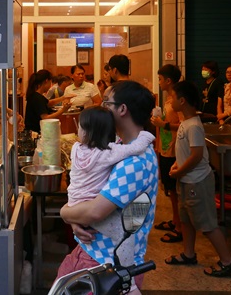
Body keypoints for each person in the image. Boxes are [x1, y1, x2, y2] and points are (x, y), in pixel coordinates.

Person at [58, 81, 159, 294]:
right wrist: (78, 218)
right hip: (95, 253)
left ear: (122, 109)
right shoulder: (122, 147)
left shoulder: (135, 162)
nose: (101, 107)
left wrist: (66, 213)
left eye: (106, 102)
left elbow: (95, 212)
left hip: (108, 264)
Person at [164, 80, 231, 277]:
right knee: (186, 220)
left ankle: (227, 261)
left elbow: (196, 156)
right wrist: (177, 165)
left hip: (197, 181)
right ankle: (188, 254)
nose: (170, 100)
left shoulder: (194, 126)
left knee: (207, 224)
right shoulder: (185, 122)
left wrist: (179, 171)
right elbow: (187, 152)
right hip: (186, 180)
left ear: (182, 100)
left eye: (173, 97)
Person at [67, 105, 154, 207]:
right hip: (92, 204)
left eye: (79, 126)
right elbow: (136, 147)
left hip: (73, 200)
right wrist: (146, 135)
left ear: (84, 133)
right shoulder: (108, 152)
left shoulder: (76, 148)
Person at [150, 64, 184, 243]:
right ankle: (175, 220)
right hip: (165, 147)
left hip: (174, 150)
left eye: (160, 79)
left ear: (169, 80)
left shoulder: (178, 100)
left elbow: (184, 124)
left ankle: (180, 228)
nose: (159, 82)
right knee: (170, 190)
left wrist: (164, 125)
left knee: (175, 190)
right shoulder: (169, 99)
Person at [24, 69, 72, 134]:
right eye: (50, 82)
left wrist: (63, 97)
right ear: (46, 81)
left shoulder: (36, 95)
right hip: (35, 133)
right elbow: (45, 118)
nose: (50, 86)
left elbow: (49, 103)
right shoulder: (37, 98)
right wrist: (63, 110)